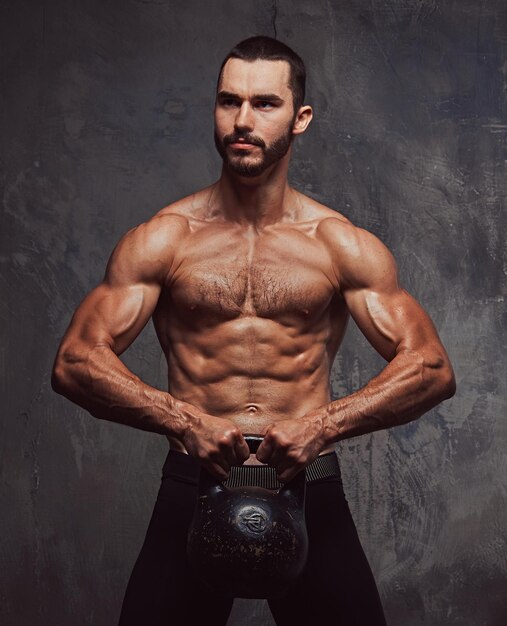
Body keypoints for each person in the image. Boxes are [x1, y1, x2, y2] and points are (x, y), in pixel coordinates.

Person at [52, 36, 455, 626]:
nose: (242, 120)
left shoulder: (337, 242)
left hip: (307, 484)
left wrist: (322, 425)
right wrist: (184, 420)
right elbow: (75, 363)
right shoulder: (167, 238)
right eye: (228, 101)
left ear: (301, 118)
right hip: (195, 482)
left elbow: (431, 368)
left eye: (265, 103)